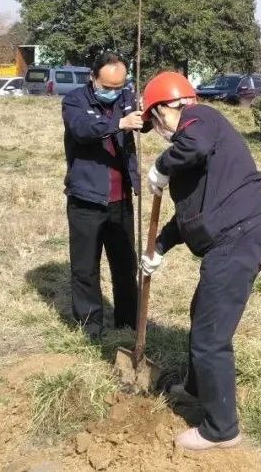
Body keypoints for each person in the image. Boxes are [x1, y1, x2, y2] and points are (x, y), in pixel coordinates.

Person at [138, 71, 261, 452]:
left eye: (154, 121)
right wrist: (158, 248)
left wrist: (163, 165)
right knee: (203, 313)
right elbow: (192, 216)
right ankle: (198, 387)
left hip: (238, 238)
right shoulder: (197, 141)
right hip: (228, 238)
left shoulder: (202, 120)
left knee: (210, 338)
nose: (158, 129)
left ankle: (221, 429)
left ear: (166, 108)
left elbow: (190, 147)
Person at [61, 51, 147, 338]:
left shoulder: (127, 98)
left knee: (125, 265)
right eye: (107, 87)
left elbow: (143, 123)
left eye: (119, 86)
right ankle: (90, 326)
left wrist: (149, 112)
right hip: (86, 199)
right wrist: (119, 124)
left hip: (121, 198)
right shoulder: (74, 101)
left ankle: (127, 322)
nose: (114, 92)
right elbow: (82, 130)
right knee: (85, 268)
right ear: (92, 78)